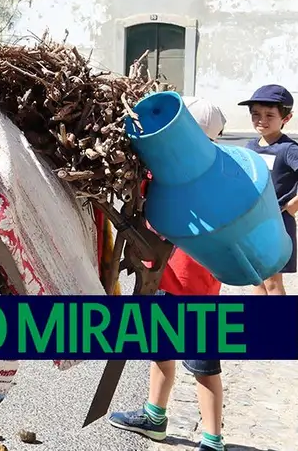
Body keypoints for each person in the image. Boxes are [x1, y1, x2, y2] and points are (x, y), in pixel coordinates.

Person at [109, 96, 229, 451]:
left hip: (193, 286)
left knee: (203, 364)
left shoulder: (194, 173)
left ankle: (212, 438)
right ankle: (155, 417)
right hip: (164, 276)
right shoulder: (210, 170)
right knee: (162, 350)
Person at [241, 83, 298, 296]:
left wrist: (292, 206)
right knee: (256, 279)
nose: (261, 120)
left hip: (276, 223)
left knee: (273, 282)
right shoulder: (250, 147)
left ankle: (281, 327)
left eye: (269, 115)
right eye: (256, 114)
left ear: (286, 118)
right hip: (252, 222)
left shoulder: (289, 149)